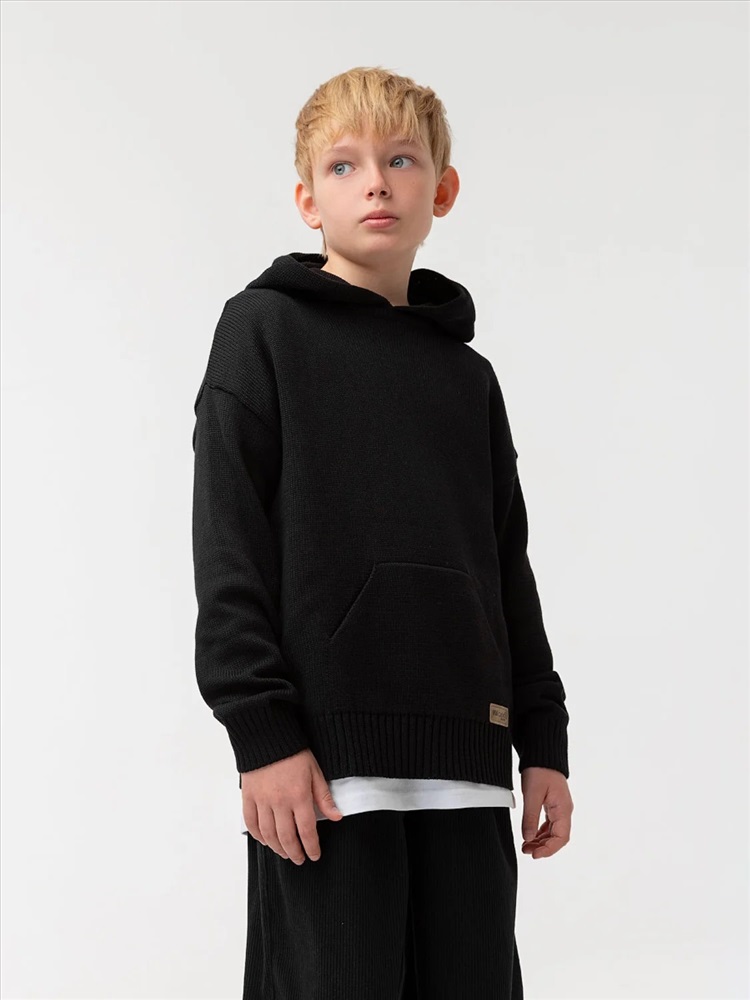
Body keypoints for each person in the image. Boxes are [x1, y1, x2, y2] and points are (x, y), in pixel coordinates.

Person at [191, 64, 574, 1000]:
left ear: (441, 190)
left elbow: (506, 568)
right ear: (306, 200)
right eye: (343, 165)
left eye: (401, 160)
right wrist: (261, 734)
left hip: (468, 766)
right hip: (326, 775)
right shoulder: (262, 332)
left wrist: (544, 739)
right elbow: (228, 550)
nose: (375, 182)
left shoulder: (468, 378)